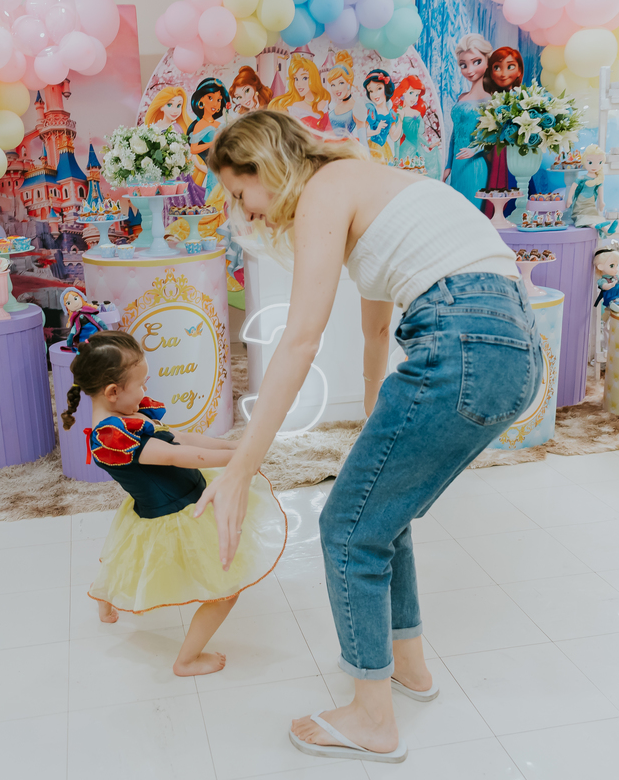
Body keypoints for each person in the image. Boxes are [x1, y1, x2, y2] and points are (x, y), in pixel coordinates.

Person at [204, 110, 540, 763]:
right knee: (383, 512)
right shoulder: (375, 187)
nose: (245, 212)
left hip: (462, 342)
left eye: (240, 192)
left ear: (265, 166)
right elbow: (375, 331)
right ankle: (408, 667)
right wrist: (374, 423)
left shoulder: (324, 188)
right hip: (513, 350)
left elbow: (300, 340)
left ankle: (371, 720)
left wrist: (242, 465)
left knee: (347, 528)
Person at [60, 331, 287, 675]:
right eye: (141, 385)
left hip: (183, 495)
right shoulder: (112, 438)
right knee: (225, 590)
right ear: (112, 392)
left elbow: (178, 437)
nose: (145, 391)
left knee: (126, 561)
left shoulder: (127, 415)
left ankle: (104, 604)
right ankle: (186, 661)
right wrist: (238, 460)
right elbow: (175, 456)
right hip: (175, 513)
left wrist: (236, 448)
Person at [444, 34, 492, 207]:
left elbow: (494, 135)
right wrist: (448, 166)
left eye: (476, 62)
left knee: (472, 210)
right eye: (463, 65)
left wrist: (475, 149)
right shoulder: (461, 97)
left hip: (475, 164)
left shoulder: (490, 100)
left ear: (487, 60)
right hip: (457, 165)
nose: (470, 70)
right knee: (456, 209)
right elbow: (455, 134)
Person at [480, 46, 525, 217]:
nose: (503, 73)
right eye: (497, 67)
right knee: (498, 184)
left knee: (520, 182)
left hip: (518, 152)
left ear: (519, 70)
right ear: (491, 73)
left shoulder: (524, 98)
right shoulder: (490, 101)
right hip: (498, 152)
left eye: (510, 66)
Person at [188, 78, 231, 196]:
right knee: (214, 198)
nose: (215, 104)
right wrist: (213, 143)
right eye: (210, 98)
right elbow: (193, 148)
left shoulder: (220, 124)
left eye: (218, 100)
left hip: (227, 168)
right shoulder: (199, 125)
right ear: (201, 99)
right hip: (214, 169)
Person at [392, 75, 441, 179]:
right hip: (405, 149)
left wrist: (429, 145)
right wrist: (396, 157)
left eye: (417, 95)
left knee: (418, 177)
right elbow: (396, 138)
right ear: (403, 92)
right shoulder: (399, 112)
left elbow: (418, 135)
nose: (414, 98)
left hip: (418, 150)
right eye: (411, 93)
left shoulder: (417, 114)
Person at [270, 53, 331, 132]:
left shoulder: (324, 103)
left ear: (313, 78)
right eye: (296, 79)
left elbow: (331, 131)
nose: (298, 84)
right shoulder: (296, 108)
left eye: (304, 78)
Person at [325, 51, 364, 140]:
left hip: (346, 147)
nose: (336, 89)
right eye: (333, 85)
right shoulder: (334, 106)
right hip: (329, 146)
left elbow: (362, 136)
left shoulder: (357, 107)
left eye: (341, 83)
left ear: (349, 83)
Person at [363, 68, 398, 163]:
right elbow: (362, 132)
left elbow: (394, 137)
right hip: (372, 148)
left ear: (386, 88)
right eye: (371, 91)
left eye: (379, 88)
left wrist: (401, 120)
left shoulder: (391, 113)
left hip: (385, 149)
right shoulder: (371, 111)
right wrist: (377, 130)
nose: (375, 94)